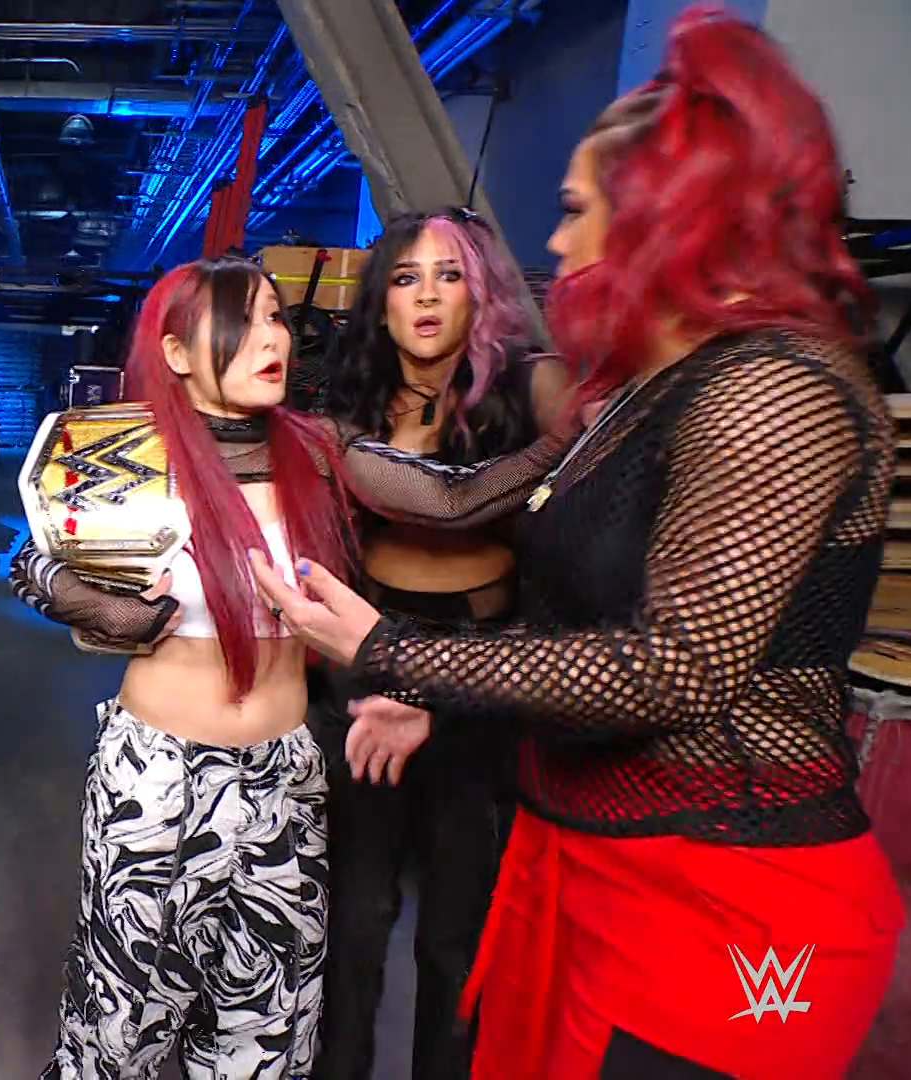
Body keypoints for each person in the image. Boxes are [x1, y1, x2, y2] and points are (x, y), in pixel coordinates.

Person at [254, 7, 905, 1078]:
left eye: (573, 211)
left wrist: (394, 652)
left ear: (666, 214)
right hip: (588, 854)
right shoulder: (646, 391)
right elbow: (578, 614)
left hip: (720, 889)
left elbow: (673, 667)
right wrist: (443, 698)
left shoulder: (773, 389)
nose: (553, 246)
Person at [10, 256, 356, 1079]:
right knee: (118, 1030)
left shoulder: (318, 452)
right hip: (155, 782)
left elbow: (447, 497)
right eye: (242, 321)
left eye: (275, 317)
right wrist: (106, 610)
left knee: (266, 1034)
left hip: (283, 781)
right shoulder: (127, 450)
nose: (271, 339)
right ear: (174, 352)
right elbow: (30, 563)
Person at [313, 207, 569, 1080]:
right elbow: (395, 517)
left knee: (457, 935)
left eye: (448, 275)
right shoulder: (353, 396)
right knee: (355, 921)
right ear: (381, 302)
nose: (426, 296)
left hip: (483, 667)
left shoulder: (533, 388)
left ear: (481, 293)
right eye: (406, 278)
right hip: (368, 656)